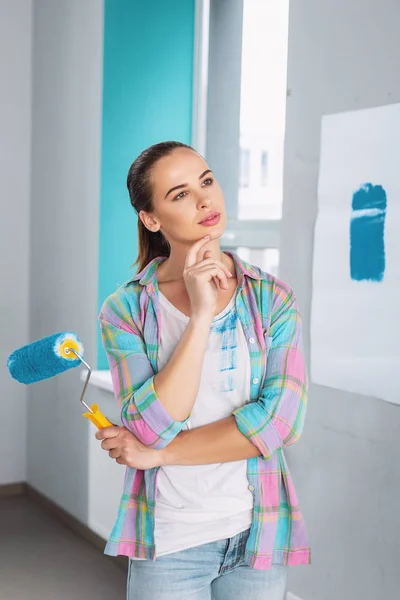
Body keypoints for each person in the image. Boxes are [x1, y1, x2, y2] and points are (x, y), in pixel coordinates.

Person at [96, 141, 310, 600]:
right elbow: (149, 427)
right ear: (151, 219)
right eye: (179, 194)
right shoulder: (125, 309)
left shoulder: (272, 299)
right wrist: (201, 316)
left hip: (257, 532)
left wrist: (162, 455)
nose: (204, 200)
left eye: (207, 181)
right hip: (172, 539)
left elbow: (282, 422)